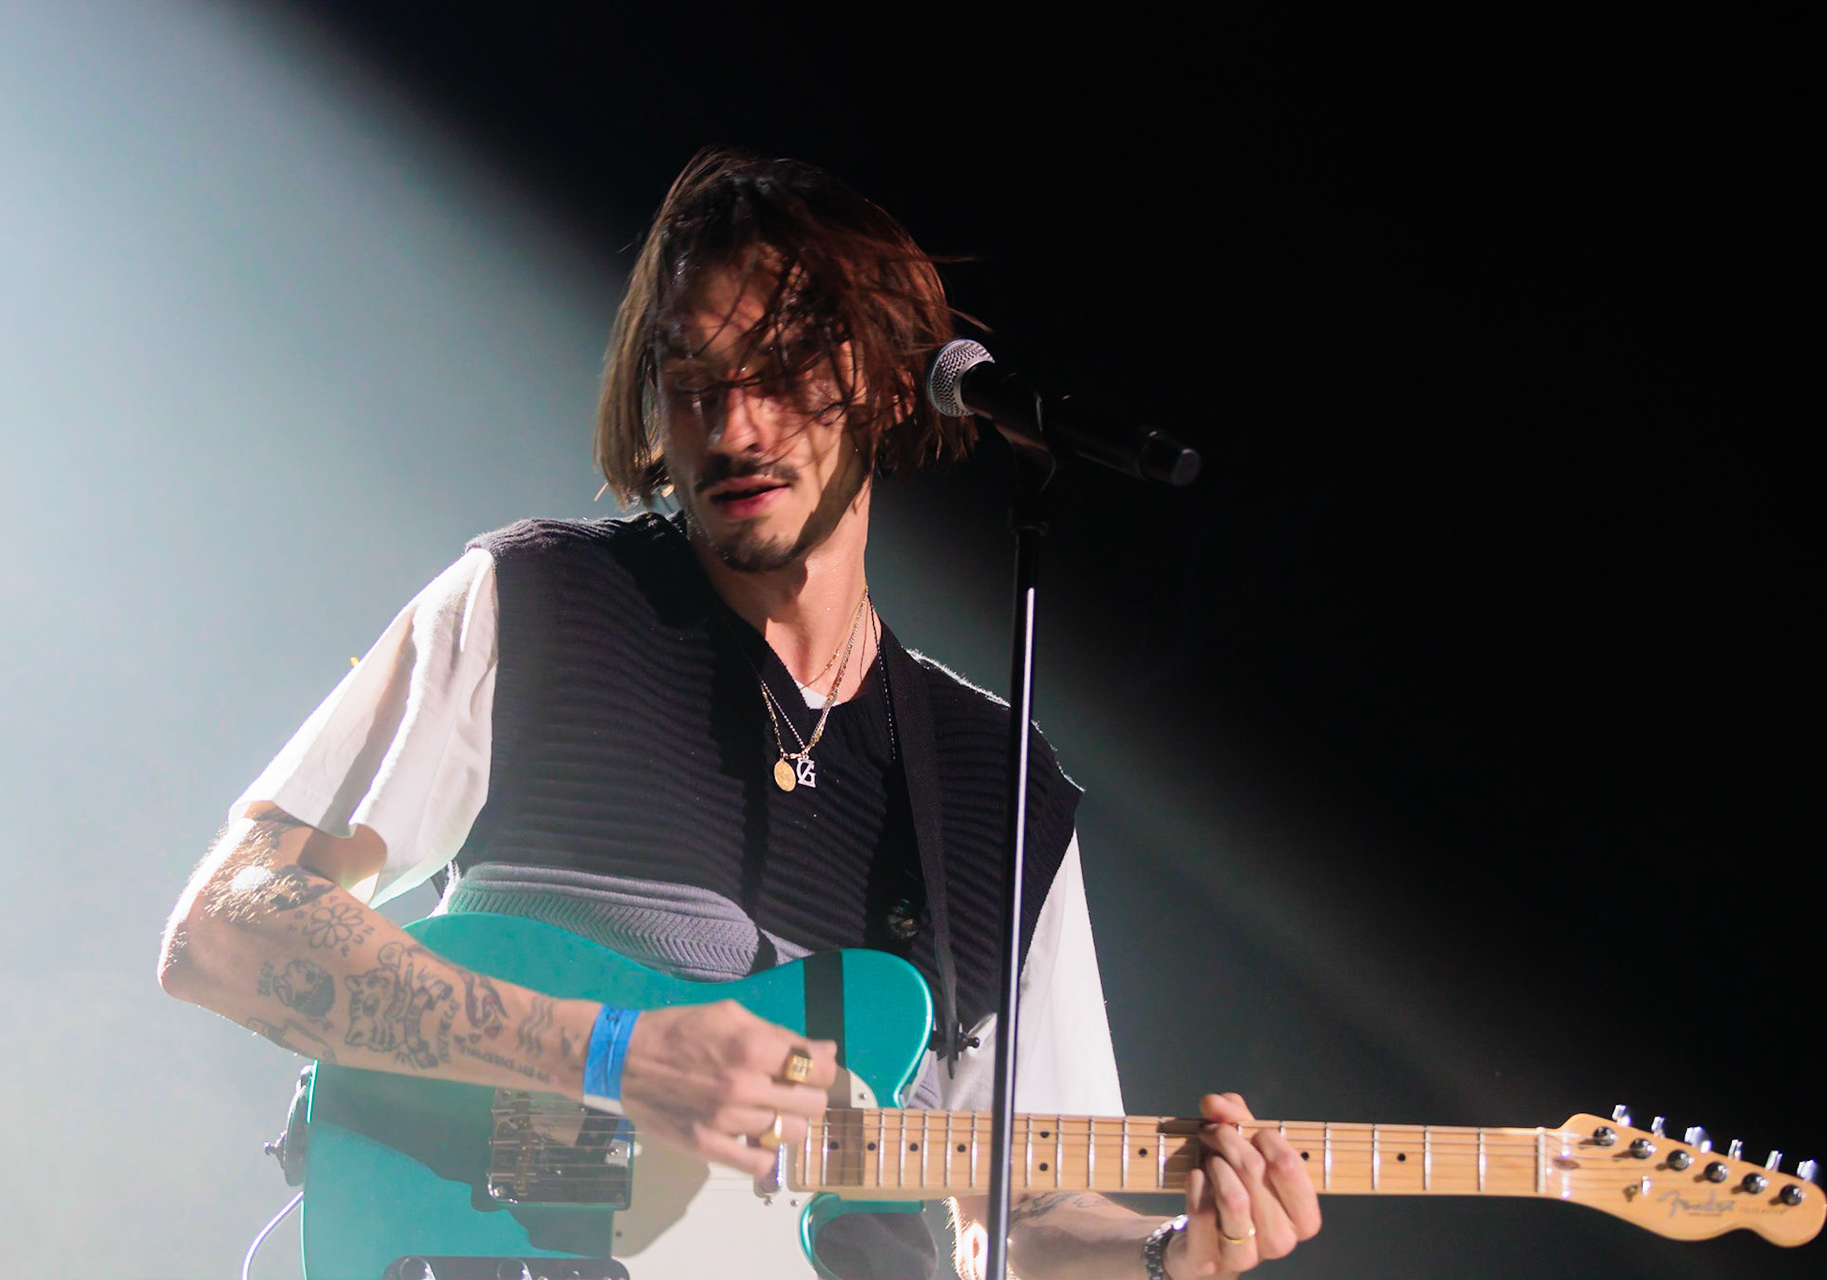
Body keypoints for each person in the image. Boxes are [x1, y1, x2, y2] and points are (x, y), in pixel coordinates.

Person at [158, 148, 1319, 1279]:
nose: (737, 424)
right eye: (694, 378)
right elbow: (225, 927)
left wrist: (1172, 1254)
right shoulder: (540, 604)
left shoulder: (999, 788)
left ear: (877, 377)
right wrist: (612, 1053)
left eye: (780, 369)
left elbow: (1023, 1217)